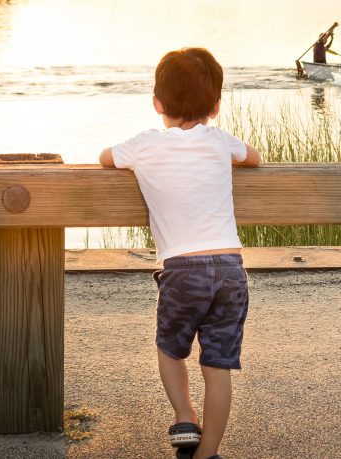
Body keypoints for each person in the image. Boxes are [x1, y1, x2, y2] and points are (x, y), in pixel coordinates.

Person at [99, 47, 261, 459]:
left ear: (157, 103)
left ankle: (185, 416)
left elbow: (104, 158)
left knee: (171, 349)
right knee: (218, 365)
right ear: (217, 106)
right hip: (229, 269)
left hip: (181, 269)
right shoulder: (220, 140)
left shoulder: (143, 145)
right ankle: (207, 453)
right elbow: (255, 158)